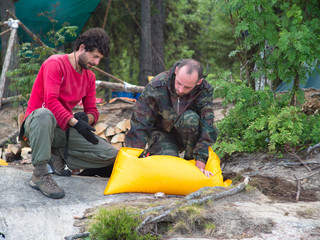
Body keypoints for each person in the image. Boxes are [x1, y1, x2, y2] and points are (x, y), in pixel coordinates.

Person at [20, 28, 118, 199]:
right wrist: (75, 122)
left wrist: (86, 118)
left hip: (63, 128)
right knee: (44, 114)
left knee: (111, 155)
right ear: (82, 48)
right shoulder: (55, 63)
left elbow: (92, 111)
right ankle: (40, 175)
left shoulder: (89, 77)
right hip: (38, 124)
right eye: (95, 56)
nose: (96, 63)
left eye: (99, 59)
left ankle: (58, 157)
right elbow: (50, 102)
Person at [125, 59, 218, 178]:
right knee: (169, 171)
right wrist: (133, 159)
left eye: (187, 87)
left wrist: (200, 161)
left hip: (188, 134)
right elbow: (140, 122)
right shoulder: (157, 85)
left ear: (198, 82)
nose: (180, 90)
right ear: (176, 71)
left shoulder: (204, 90)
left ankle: (192, 163)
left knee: (191, 118)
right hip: (161, 133)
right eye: (179, 83)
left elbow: (207, 126)